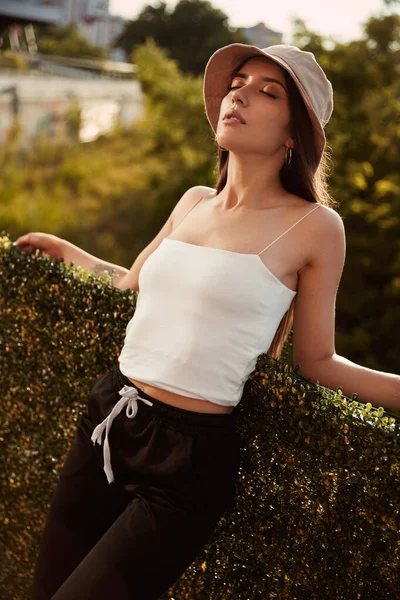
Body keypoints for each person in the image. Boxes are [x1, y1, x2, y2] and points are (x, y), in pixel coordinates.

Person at [14, 42, 400, 600]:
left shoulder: (317, 227)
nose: (239, 93)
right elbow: (135, 285)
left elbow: (318, 361)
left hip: (186, 462)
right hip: (109, 419)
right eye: (238, 82)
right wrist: (70, 254)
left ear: (295, 136)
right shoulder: (194, 200)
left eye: (268, 92)